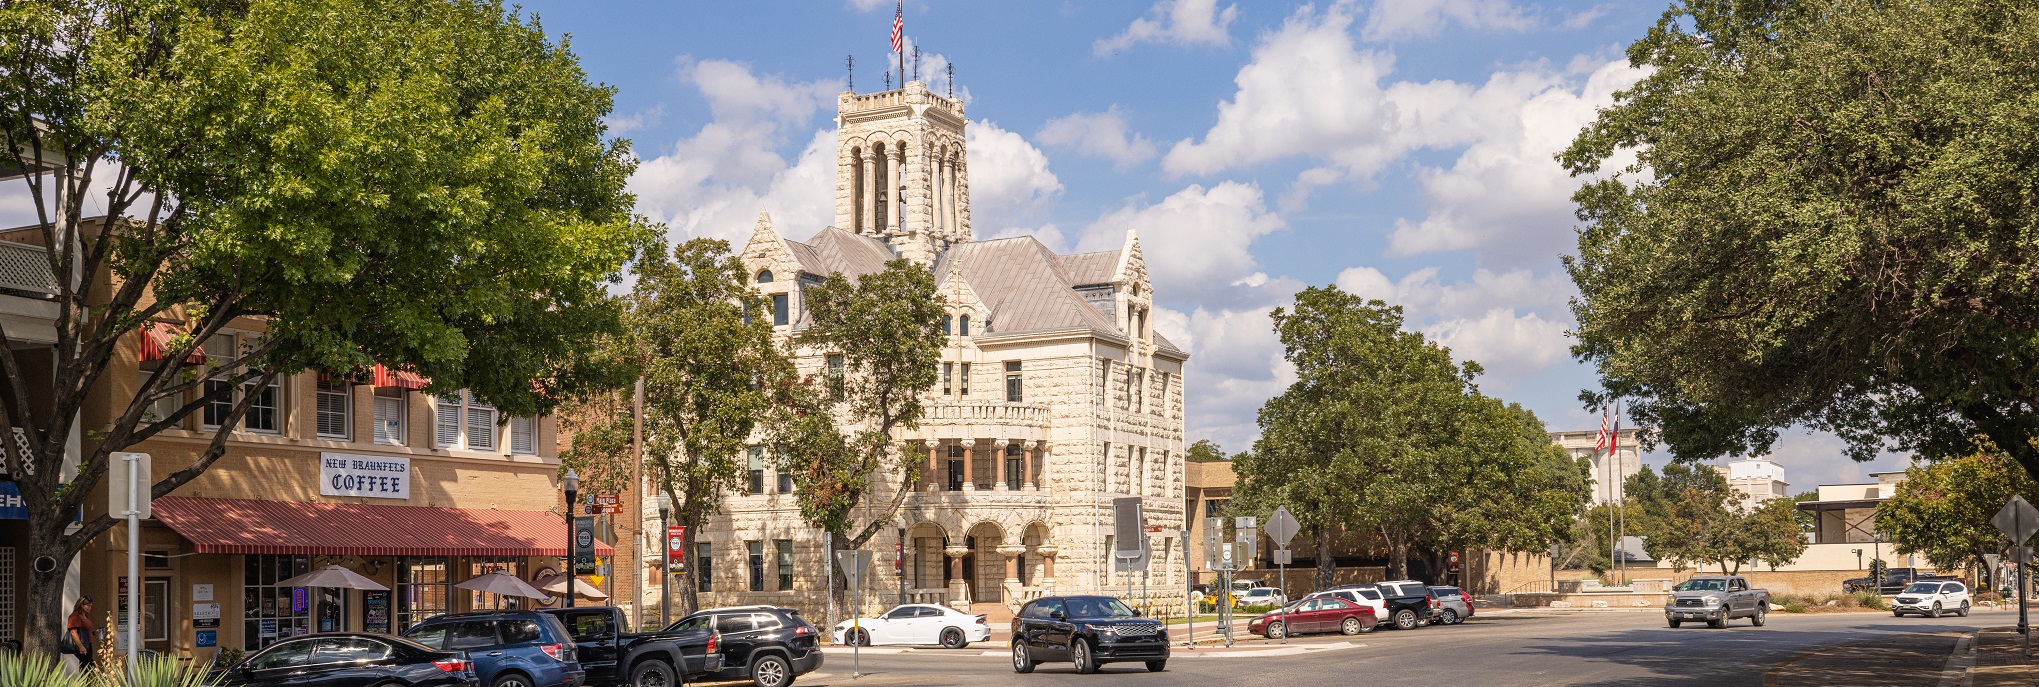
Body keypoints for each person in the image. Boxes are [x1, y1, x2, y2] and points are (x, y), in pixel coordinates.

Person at [64, 596, 95, 673]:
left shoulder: (85, 616)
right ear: (81, 605)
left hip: (88, 644)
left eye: (90, 606)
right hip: (81, 645)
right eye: (88, 605)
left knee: (86, 667)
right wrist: (81, 646)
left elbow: (84, 631)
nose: (89, 608)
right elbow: (73, 632)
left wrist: (94, 632)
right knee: (89, 666)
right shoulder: (75, 616)